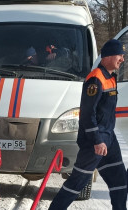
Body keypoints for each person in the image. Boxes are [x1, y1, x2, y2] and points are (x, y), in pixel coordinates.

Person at [49, 39, 127, 210]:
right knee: (77, 184)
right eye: (119, 55)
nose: (122, 59)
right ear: (107, 56)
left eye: (123, 55)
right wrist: (97, 140)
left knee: (120, 182)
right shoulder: (96, 79)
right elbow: (87, 113)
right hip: (95, 141)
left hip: (109, 138)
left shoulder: (111, 78)